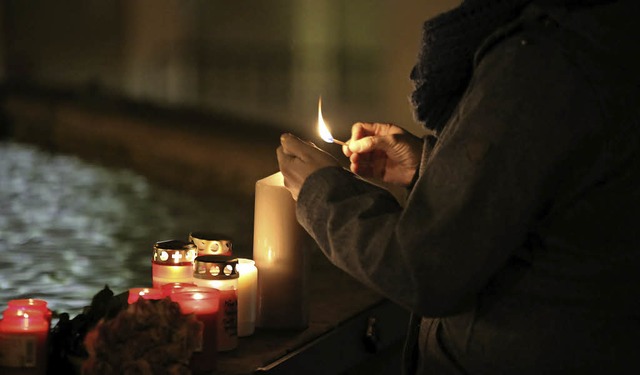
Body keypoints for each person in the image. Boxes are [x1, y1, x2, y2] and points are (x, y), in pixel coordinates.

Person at [277, 0, 640, 374]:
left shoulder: (542, 63)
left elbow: (425, 268)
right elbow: (540, 188)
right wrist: (431, 166)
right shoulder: (604, 34)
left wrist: (322, 192)